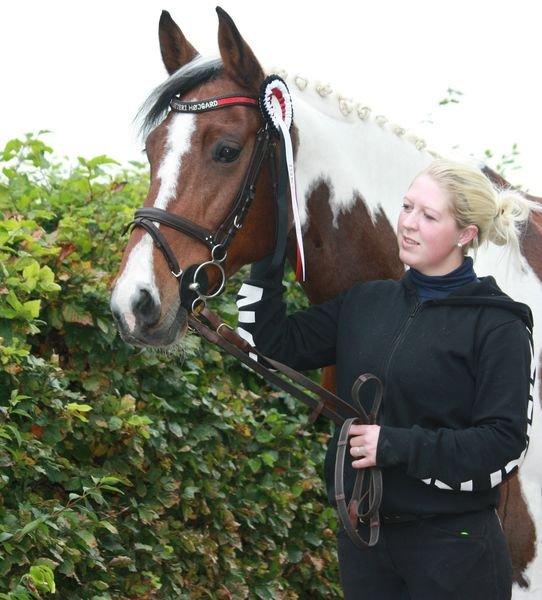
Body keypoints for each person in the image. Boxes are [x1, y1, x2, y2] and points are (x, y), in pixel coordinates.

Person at [235, 159, 537, 599]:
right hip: (367, 545)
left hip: (456, 553)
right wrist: (268, 253)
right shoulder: (365, 302)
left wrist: (392, 445)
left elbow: (503, 444)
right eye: (407, 207)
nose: (408, 224)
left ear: (466, 234)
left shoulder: (498, 325)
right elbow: (274, 343)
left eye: (428, 216)